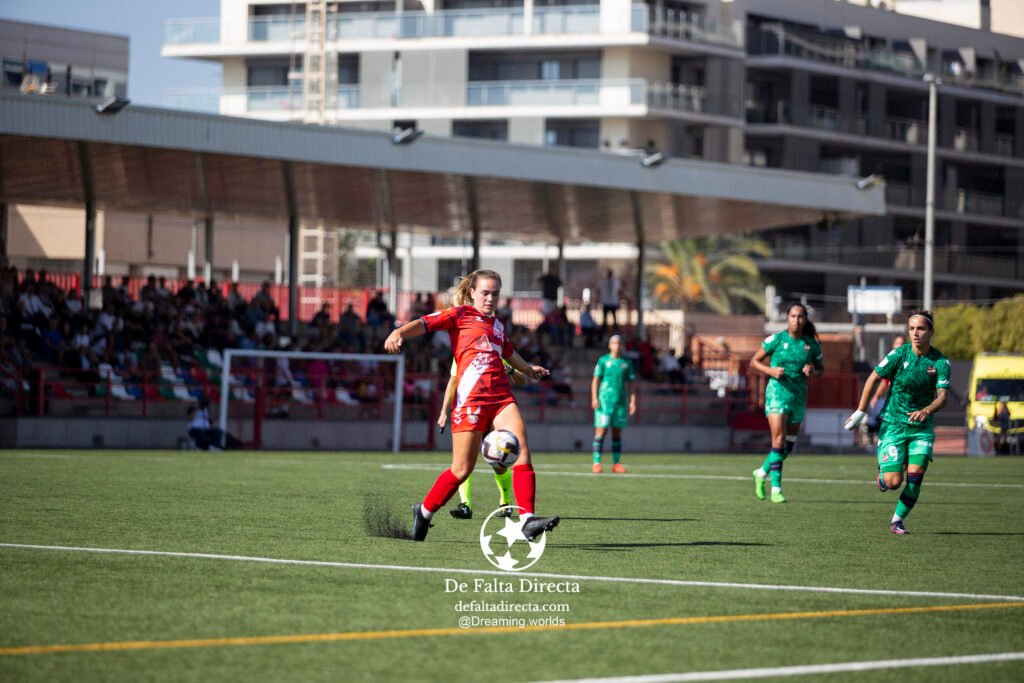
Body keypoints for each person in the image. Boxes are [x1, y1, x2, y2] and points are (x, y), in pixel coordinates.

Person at [385, 269, 560, 542]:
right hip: (471, 401)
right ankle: (425, 511)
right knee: (461, 469)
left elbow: (509, 352)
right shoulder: (460, 315)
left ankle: (527, 519)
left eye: (495, 294)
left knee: (521, 449)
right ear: (473, 292)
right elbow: (425, 323)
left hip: (501, 396)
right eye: (485, 293)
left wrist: (528, 369)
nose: (490, 298)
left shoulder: (498, 326)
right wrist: (399, 332)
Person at [844, 310, 949, 534]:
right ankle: (884, 475)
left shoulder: (940, 362)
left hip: (921, 428)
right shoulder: (898, 355)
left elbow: (942, 397)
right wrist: (861, 411)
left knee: (915, 476)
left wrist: (927, 410)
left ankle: (897, 521)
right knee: (893, 482)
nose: (915, 333)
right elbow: (873, 378)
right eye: (911, 329)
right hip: (894, 425)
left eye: (920, 328)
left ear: (931, 331)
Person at [749, 303, 824, 503]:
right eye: (793, 316)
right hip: (777, 393)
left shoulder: (811, 344)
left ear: (805, 319)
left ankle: (761, 473)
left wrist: (813, 371)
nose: (796, 320)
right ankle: (776, 489)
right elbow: (754, 362)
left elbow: (821, 369)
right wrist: (770, 371)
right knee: (779, 440)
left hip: (798, 397)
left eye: (800, 316)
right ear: (787, 318)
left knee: (787, 447)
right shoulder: (777, 339)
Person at [440, 355, 525, 520]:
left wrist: (511, 370)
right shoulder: (461, 353)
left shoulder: (497, 349)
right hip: (468, 410)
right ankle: (465, 505)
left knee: (498, 461)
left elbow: (522, 380)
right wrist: (444, 411)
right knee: (463, 462)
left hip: (493, 411)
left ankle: (505, 502)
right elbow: (453, 381)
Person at [591, 334, 636, 474]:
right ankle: (596, 463)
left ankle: (616, 464)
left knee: (617, 433)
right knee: (601, 431)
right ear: (610, 345)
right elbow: (595, 380)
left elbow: (631, 384)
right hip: (604, 402)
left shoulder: (627, 363)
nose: (617, 345)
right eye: (614, 343)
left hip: (620, 402)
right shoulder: (603, 361)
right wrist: (594, 398)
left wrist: (632, 401)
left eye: (619, 343)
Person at [866, 335, 906, 444]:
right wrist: (875, 397)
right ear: (893, 345)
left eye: (902, 344)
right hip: (893, 405)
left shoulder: (910, 361)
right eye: (897, 343)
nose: (899, 346)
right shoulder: (891, 361)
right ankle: (874, 439)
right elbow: (883, 382)